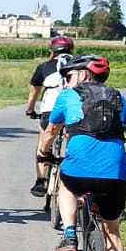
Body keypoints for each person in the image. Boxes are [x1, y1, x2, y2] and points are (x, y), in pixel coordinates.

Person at [39, 54, 126, 251]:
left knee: (66, 183)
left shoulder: (68, 95)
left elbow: (51, 131)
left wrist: (43, 153)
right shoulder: (118, 97)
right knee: (112, 232)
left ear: (83, 74)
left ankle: (70, 232)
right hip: (114, 173)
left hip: (78, 171)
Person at [23, 34, 74, 196]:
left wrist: (30, 110)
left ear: (52, 51)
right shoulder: (79, 65)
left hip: (51, 108)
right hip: (74, 109)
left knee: (44, 142)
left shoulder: (44, 67)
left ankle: (40, 181)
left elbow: (33, 93)